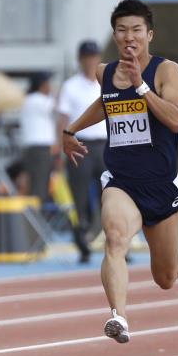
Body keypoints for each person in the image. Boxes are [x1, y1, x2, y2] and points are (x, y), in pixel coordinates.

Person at [62, 0, 178, 343]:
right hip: (122, 182)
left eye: (136, 30)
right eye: (121, 30)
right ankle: (119, 316)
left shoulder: (166, 71)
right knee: (115, 239)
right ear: (114, 35)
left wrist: (141, 86)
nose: (128, 37)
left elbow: (177, 121)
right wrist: (71, 130)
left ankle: (177, 258)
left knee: (166, 278)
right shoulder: (104, 72)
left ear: (149, 35)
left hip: (161, 184)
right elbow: (105, 104)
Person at [56, 40, 105, 263]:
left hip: (105, 145)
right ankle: (82, 242)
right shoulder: (70, 86)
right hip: (80, 144)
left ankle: (118, 242)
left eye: (94, 57)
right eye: (86, 57)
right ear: (80, 60)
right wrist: (60, 146)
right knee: (80, 196)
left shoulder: (106, 83)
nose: (90, 61)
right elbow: (63, 119)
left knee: (113, 194)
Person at [20, 72, 56, 204]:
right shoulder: (39, 99)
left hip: (32, 148)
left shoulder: (28, 99)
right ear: (42, 85)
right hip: (40, 149)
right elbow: (59, 106)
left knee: (35, 184)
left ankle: (35, 217)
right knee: (40, 187)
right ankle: (37, 220)